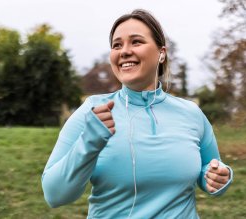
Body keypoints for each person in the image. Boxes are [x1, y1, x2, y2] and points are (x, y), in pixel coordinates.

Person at [41, 9, 233, 218]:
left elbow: (210, 169)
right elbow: (55, 195)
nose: (124, 51)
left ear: (161, 53)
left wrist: (216, 177)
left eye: (136, 42)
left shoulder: (191, 113)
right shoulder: (92, 112)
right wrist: (89, 142)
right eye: (117, 45)